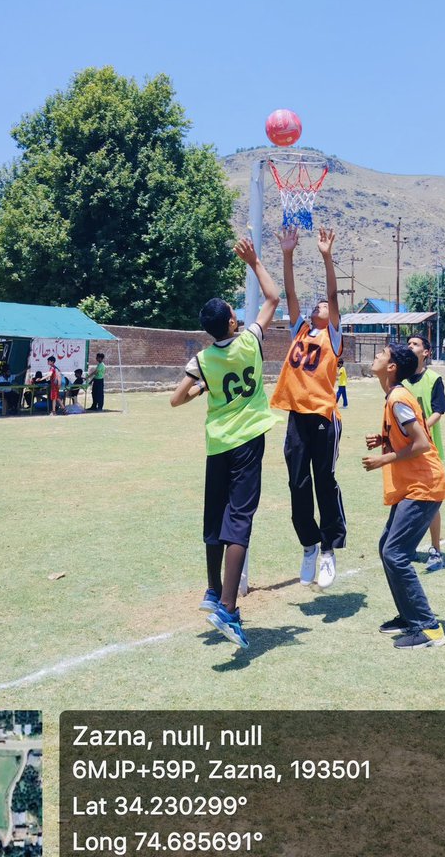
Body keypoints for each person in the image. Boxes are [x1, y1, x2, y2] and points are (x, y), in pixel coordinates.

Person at [170, 236, 280, 650]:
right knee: (239, 521)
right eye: (235, 312)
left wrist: (202, 390)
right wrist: (254, 262)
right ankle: (229, 610)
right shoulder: (250, 341)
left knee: (215, 518)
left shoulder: (203, 360)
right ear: (233, 324)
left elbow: (176, 398)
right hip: (248, 439)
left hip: (217, 444)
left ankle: (213, 590)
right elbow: (272, 297)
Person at [270, 226, 345, 590]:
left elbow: (332, 292)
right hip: (297, 417)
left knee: (324, 482)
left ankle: (330, 548)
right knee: (297, 484)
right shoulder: (300, 330)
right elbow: (291, 293)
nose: (325, 305)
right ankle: (309, 546)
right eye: (321, 305)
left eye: (329, 306)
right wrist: (288, 254)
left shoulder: (333, 335)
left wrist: (326, 256)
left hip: (324, 418)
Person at [363, 343, 445, 649]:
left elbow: (422, 443)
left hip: (423, 487)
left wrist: (382, 459)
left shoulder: (398, 397)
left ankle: (428, 628)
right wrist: (384, 439)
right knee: (387, 547)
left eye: (381, 354)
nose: (375, 356)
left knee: (395, 554)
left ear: (391, 368)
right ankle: (408, 615)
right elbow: (406, 434)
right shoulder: (394, 396)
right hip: (413, 487)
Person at [405, 334, 445, 571]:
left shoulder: (433, 378)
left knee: (431, 502)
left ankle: (436, 550)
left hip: (429, 449)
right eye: (408, 343)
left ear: (426, 352)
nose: (410, 346)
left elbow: (439, 410)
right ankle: (408, 544)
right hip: (405, 450)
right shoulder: (400, 380)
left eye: (416, 344)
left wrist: (420, 429)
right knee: (406, 499)